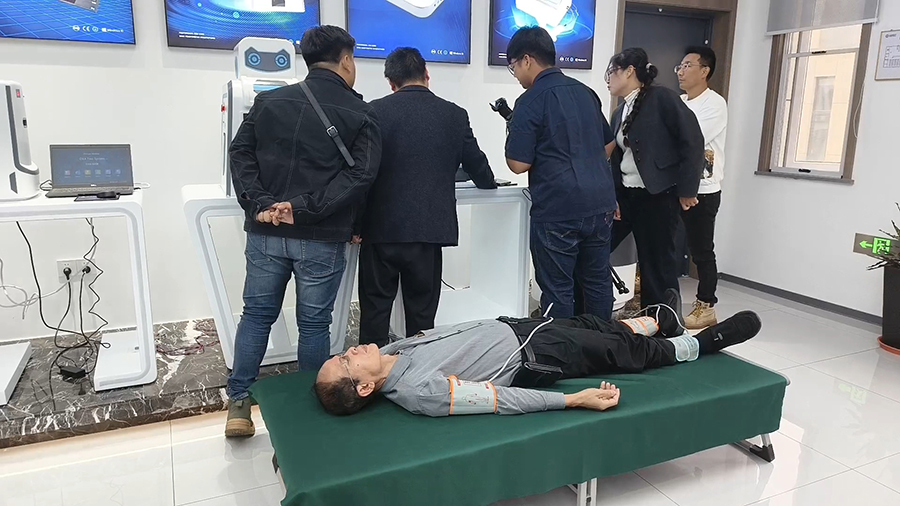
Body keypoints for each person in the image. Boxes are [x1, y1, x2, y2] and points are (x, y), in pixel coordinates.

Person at [225, 25, 382, 437]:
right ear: (346, 60)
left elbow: (239, 153)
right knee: (313, 324)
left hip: (265, 232)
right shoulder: (361, 113)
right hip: (320, 236)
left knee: (256, 315)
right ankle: (307, 408)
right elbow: (361, 176)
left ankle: (238, 403)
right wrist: (303, 209)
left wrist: (261, 203)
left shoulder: (268, 101)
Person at [314, 289, 763, 417]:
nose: (351, 350)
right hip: (537, 354)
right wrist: (574, 399)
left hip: (521, 326)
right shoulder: (421, 393)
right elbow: (498, 399)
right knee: (623, 351)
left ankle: (656, 320)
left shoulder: (390, 349)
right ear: (365, 387)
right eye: (347, 361)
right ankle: (701, 343)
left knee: (596, 324)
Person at [359, 48, 496, 347]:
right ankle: (418, 369)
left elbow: (361, 173)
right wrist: (488, 182)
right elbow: (479, 169)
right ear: (426, 74)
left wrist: (356, 225)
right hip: (428, 231)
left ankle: (370, 371)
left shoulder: (372, 112)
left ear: (391, 82)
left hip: (379, 231)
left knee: (375, 314)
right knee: (422, 319)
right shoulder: (454, 114)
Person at [504, 27, 618, 320]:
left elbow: (518, 164)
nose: (515, 75)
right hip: (600, 204)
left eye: (513, 66)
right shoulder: (586, 93)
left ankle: (563, 346)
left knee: (558, 289)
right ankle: (603, 343)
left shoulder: (530, 101)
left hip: (558, 208)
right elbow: (608, 144)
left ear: (526, 59)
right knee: (597, 282)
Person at [605, 48, 704, 308]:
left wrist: (688, 189)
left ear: (629, 72)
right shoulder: (619, 112)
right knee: (598, 247)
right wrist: (614, 197)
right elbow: (616, 160)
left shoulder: (662, 98)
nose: (608, 79)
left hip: (658, 195)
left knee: (657, 266)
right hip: (627, 196)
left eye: (612, 72)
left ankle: (664, 321)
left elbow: (692, 141)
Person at [677, 46, 728, 329]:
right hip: (674, 187)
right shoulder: (679, 102)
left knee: (701, 251)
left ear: (704, 71)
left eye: (687, 66)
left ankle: (706, 305)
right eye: (680, 66)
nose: (681, 71)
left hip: (702, 190)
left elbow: (692, 139)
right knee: (658, 243)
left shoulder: (714, 104)